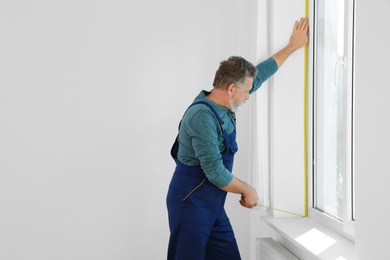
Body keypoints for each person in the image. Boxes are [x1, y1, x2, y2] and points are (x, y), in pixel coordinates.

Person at [166, 17, 309, 260]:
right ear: (231, 88)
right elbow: (215, 172)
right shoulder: (202, 116)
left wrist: (292, 46)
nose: (248, 97)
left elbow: (260, 74)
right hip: (190, 202)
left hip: (212, 205)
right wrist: (248, 189)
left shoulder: (227, 99)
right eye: (245, 92)